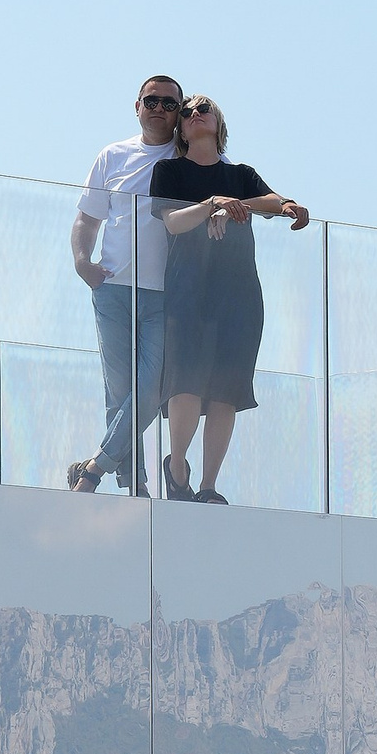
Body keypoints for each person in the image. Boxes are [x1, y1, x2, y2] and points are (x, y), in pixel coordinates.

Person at [151, 95, 310, 502]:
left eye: (203, 109)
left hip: (238, 293)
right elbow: (173, 222)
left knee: (227, 390)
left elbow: (272, 201)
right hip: (189, 290)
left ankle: (208, 487)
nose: (194, 115)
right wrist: (211, 205)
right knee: (185, 381)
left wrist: (283, 205)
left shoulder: (240, 174)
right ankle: (177, 466)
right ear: (181, 130)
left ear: (218, 122)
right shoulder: (170, 171)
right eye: (186, 113)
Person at [67, 74, 185, 492]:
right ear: (137, 106)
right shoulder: (112, 155)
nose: (159, 108)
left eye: (169, 104)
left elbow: (235, 185)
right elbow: (87, 217)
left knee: (151, 388)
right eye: (151, 100)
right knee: (120, 393)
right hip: (113, 289)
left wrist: (276, 203)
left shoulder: (188, 159)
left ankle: (94, 468)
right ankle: (135, 482)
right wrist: (83, 262)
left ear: (179, 113)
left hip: (164, 294)